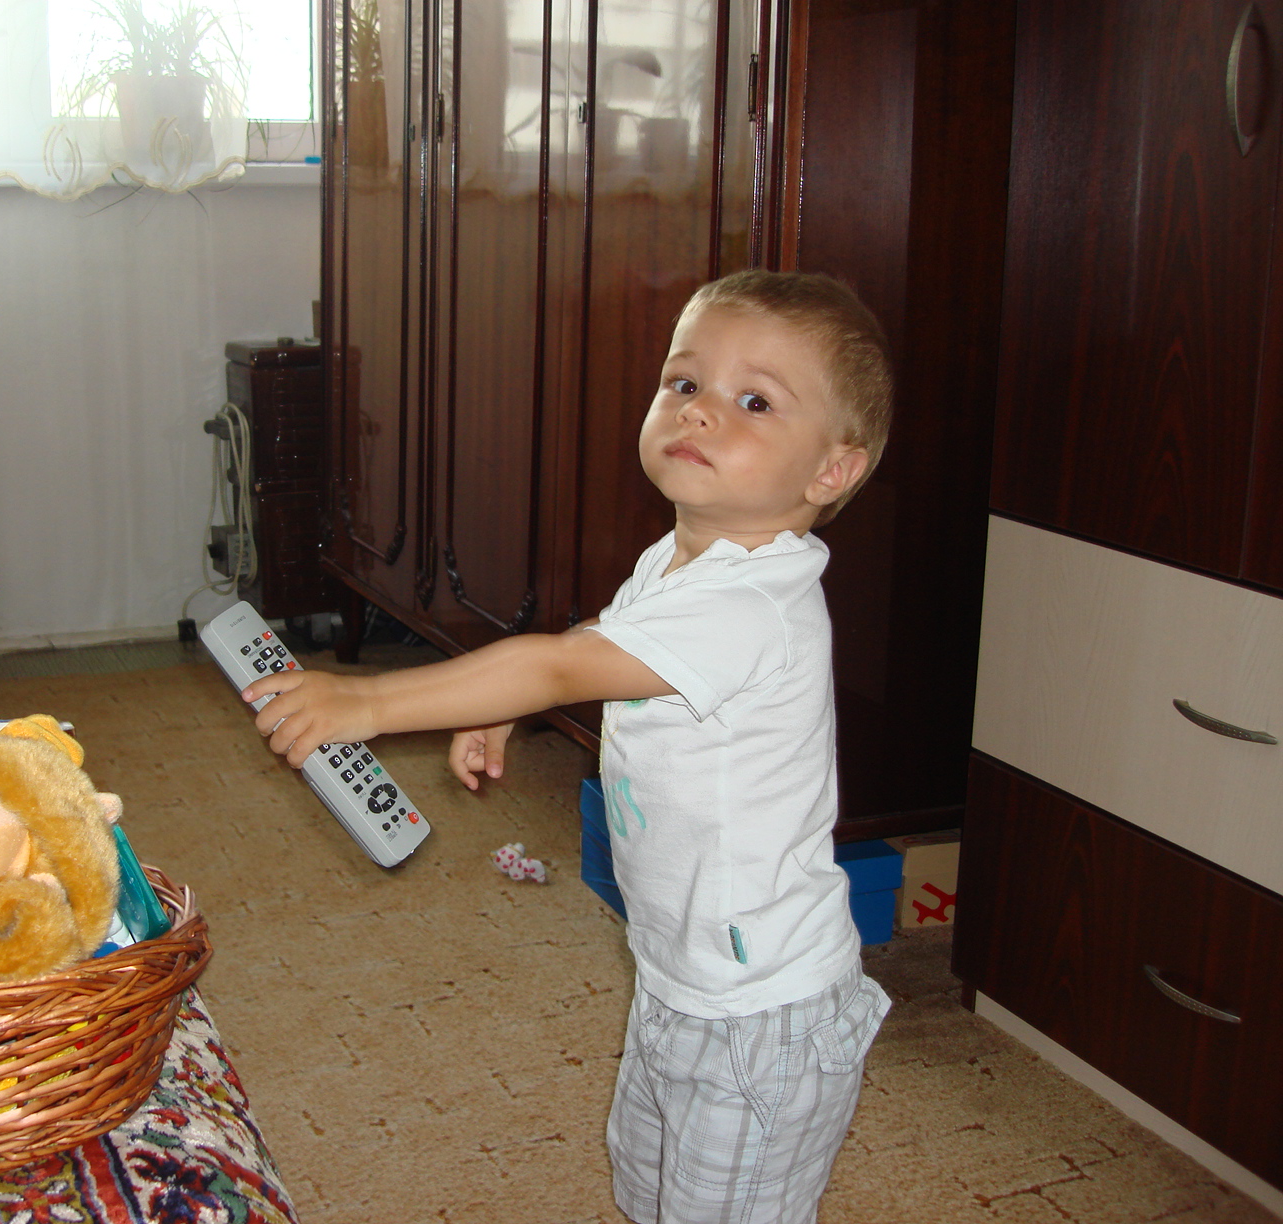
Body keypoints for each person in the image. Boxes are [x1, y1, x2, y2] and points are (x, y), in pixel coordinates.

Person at [241, 268, 895, 1224]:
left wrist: (371, 701)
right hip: (681, 975)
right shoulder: (683, 560)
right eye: (685, 382)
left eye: (754, 401)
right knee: (649, 1185)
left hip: (760, 1011)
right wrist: (505, 707)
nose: (700, 411)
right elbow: (601, 646)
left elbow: (556, 665)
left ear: (831, 471)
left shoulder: (758, 604)